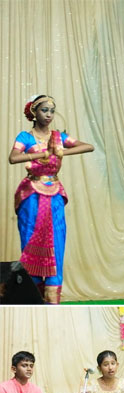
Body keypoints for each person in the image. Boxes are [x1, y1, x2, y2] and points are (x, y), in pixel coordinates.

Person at [8, 95, 94, 304]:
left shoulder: (58, 137)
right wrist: (41, 154)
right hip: (31, 195)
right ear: (34, 112)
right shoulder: (26, 137)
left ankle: (53, 299)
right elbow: (13, 157)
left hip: (54, 193)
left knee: (56, 241)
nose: (49, 115)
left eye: (52, 111)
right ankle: (32, 297)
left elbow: (88, 146)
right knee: (30, 239)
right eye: (44, 110)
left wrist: (61, 150)